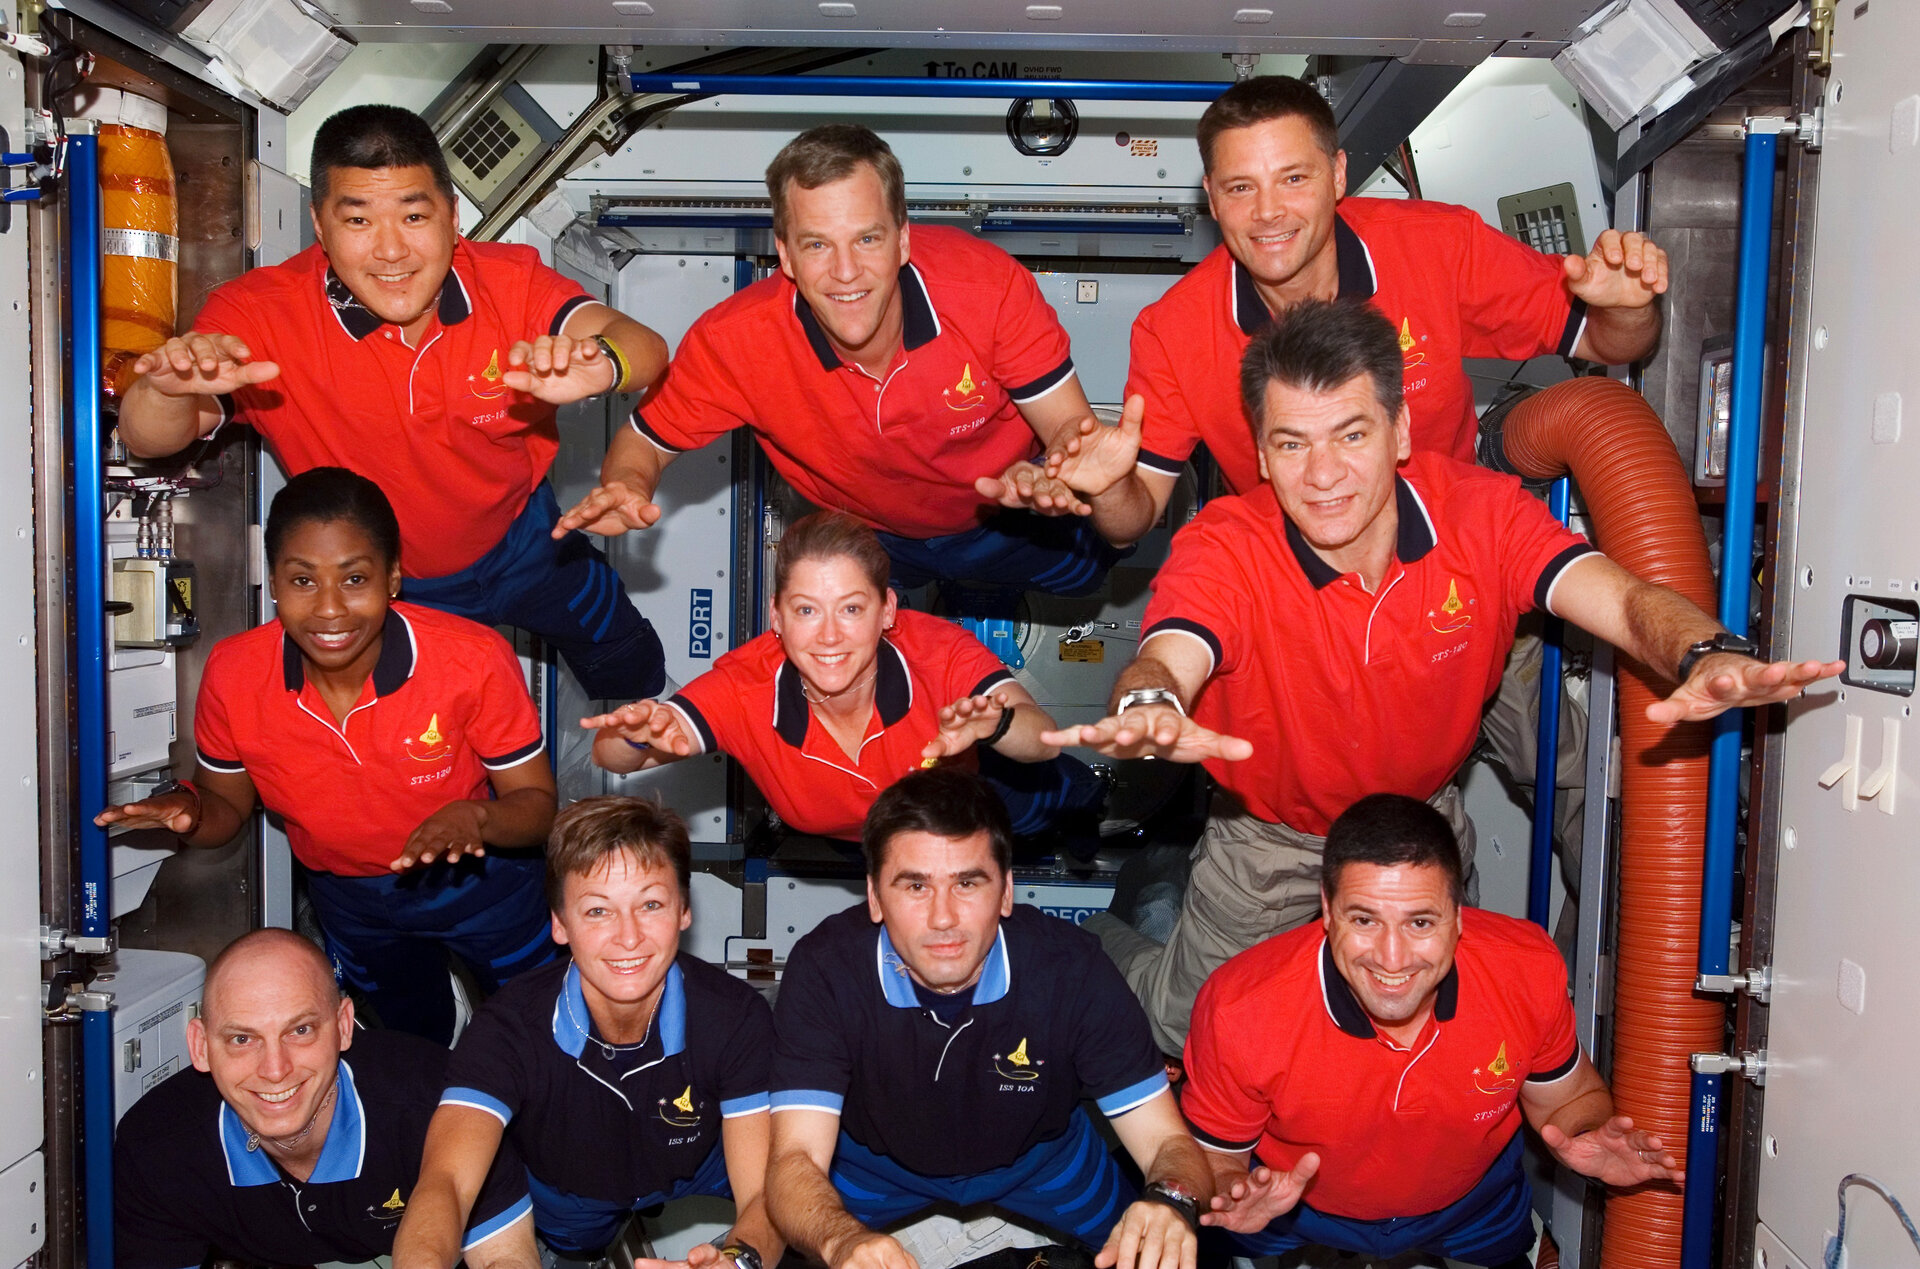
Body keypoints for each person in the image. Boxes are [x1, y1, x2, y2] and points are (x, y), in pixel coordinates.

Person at [1049, 300, 1841, 1054]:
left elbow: (1628, 602)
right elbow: (1170, 649)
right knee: (1185, 1028)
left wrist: (1704, 653)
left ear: (1398, 432)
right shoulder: (1227, 543)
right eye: (1291, 444)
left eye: (1350, 435)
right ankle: (1094, 941)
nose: (1322, 474)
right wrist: (1151, 701)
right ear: (1259, 454)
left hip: (1417, 824)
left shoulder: (1483, 516)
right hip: (1273, 836)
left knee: (1432, 1017)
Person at [115, 104, 669, 700]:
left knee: (632, 667)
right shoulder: (257, 315)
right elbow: (150, 440)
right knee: (451, 741)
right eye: (357, 221)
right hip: (397, 584)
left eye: (413, 215)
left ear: (453, 217)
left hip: (528, 541)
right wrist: (163, 389)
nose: (391, 251)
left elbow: (648, 346)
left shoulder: (510, 283)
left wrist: (603, 364)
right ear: (319, 226)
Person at [1071, 74, 1671, 546]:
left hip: (1453, 549)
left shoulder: (1438, 246)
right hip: (1290, 581)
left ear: (1337, 175)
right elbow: (1135, 515)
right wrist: (1106, 491)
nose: (1269, 212)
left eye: (1293, 178)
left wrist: (1629, 309)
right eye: (1240, 187)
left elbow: (1608, 343)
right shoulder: (1175, 329)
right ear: (1211, 198)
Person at [555, 123, 1137, 597]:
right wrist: (627, 485)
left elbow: (1067, 427)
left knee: (1086, 581)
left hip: (1011, 519)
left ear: (904, 239)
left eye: (867, 239)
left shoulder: (986, 289)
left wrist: (1052, 472)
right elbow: (647, 438)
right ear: (784, 255)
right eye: (816, 244)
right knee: (903, 608)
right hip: (878, 536)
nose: (845, 271)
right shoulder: (735, 343)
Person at [95, 468, 560, 1045]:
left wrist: (478, 818)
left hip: (482, 879)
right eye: (303, 580)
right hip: (353, 900)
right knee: (415, 1038)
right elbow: (224, 808)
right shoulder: (236, 673)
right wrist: (187, 814)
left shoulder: (472, 659)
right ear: (273, 581)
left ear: (393, 578)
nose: (330, 610)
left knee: (542, 1028)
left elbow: (537, 807)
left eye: (355, 578)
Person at [1183, 794, 1683, 1267]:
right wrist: (1232, 1190)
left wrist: (1586, 1132)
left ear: (1460, 916)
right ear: (1328, 910)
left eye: (1420, 922)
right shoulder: (1240, 1006)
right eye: (1365, 919)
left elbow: (1567, 1099)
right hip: (1291, 1204)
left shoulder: (1526, 969)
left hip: (1473, 1200)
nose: (1392, 958)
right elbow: (1216, 1155)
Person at [764, 769, 1212, 1269]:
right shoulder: (827, 969)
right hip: (875, 1167)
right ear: (874, 896)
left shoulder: (1071, 969)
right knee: (801, 1244)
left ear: (1005, 892)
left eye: (967, 883)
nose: (943, 918)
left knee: (1174, 1247)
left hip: (1043, 1161)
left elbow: (1169, 1143)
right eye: (915, 885)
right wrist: (841, 1240)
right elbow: (794, 1159)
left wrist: (1173, 1202)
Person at [396, 797, 781, 1268]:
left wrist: (740, 1259)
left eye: (651, 904)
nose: (629, 936)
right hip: (573, 1189)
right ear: (560, 924)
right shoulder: (508, 1028)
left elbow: (765, 1190)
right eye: (598, 911)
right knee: (577, 1250)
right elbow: (446, 1182)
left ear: (684, 910)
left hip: (704, 1162)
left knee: (807, 1195)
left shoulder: (735, 1016)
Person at [585, 511, 1101, 845]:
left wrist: (996, 723)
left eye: (851, 608)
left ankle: (1088, 809)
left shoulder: (935, 652)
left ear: (887, 611)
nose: (829, 635)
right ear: (777, 618)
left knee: (1055, 806)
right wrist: (637, 728)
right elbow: (612, 756)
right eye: (807, 610)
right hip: (881, 845)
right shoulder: (745, 689)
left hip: (975, 794)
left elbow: (1044, 740)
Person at [116, 929, 537, 1269]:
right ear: (201, 1046)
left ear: (343, 1026)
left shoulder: (441, 1101)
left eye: (300, 1031)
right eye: (242, 1039)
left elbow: (503, 1257)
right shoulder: (155, 1148)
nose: (275, 1069)